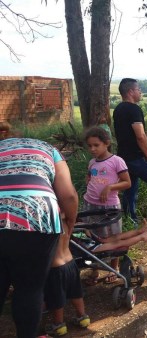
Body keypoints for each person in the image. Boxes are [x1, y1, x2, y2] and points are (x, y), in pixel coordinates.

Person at [0, 122, 79, 338]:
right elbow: (69, 195)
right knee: (29, 288)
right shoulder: (50, 150)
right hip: (34, 216)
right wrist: (70, 223)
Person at [113, 78, 147, 231]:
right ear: (130, 92)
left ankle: (131, 223)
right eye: (139, 89)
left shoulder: (118, 110)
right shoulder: (134, 109)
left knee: (130, 191)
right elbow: (140, 135)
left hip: (123, 158)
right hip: (136, 158)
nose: (140, 92)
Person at [81, 127, 131, 285]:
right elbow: (89, 176)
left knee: (112, 236)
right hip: (90, 204)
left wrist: (109, 187)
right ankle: (95, 268)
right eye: (89, 146)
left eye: (96, 145)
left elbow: (127, 182)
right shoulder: (92, 162)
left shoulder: (116, 161)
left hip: (109, 207)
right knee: (93, 235)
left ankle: (113, 269)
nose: (92, 149)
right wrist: (88, 182)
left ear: (107, 143)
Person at [43, 231, 89, 337]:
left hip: (55, 267)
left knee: (56, 296)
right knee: (75, 291)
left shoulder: (45, 225)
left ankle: (58, 325)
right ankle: (83, 318)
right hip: (70, 262)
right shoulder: (65, 222)